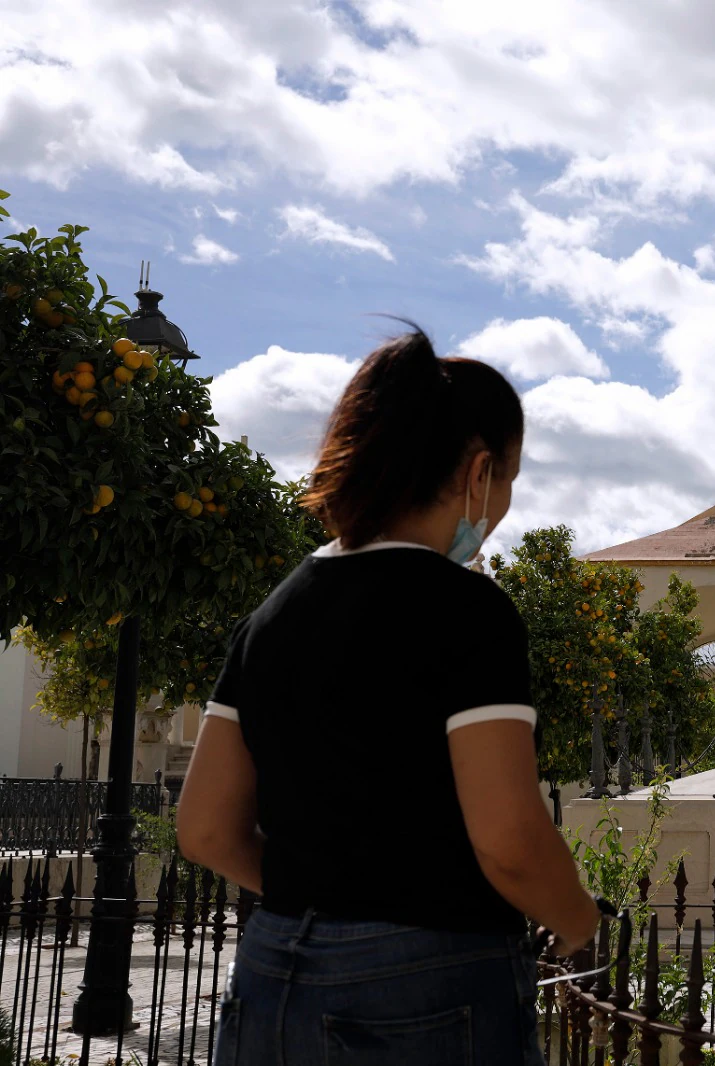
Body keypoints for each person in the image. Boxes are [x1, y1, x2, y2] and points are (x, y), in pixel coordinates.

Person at [177, 327, 599, 1066]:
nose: (499, 508)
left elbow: (206, 828)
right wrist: (578, 922)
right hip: (427, 982)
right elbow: (508, 838)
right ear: (478, 472)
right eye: (507, 482)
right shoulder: (469, 612)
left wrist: (326, 893)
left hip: (272, 967)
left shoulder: (273, 615)